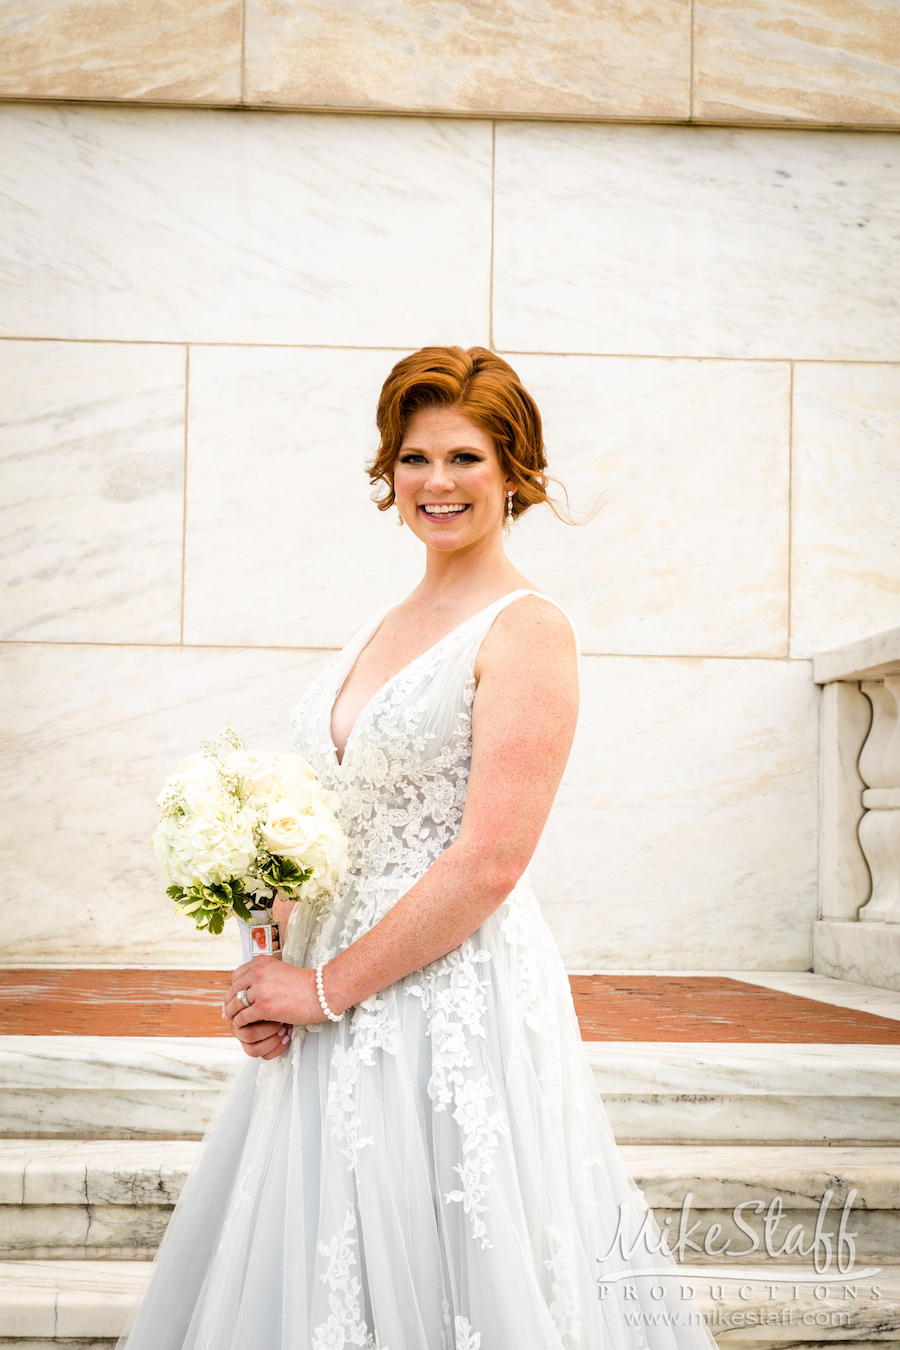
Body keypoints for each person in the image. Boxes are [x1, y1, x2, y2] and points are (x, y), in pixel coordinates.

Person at [119, 347, 714, 1350]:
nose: (437, 483)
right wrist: (270, 966)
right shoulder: (383, 625)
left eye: (466, 458)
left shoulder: (528, 630)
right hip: (328, 993)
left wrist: (324, 988)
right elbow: (330, 821)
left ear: (516, 473)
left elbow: (491, 860)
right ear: (388, 472)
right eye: (415, 457)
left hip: (450, 1005)